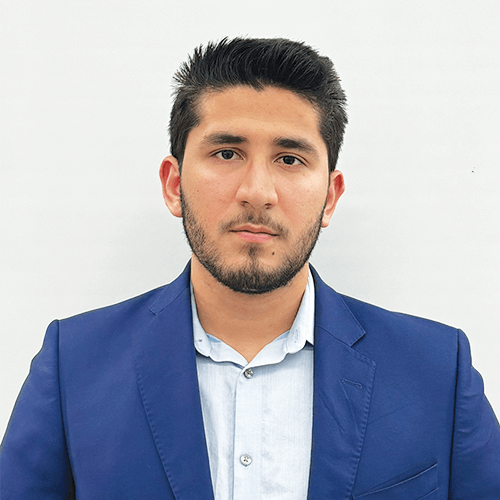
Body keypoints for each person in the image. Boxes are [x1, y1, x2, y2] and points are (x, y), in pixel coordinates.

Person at [1, 37, 499, 500]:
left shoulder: (438, 371)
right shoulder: (74, 365)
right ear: (174, 184)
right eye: (226, 152)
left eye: (289, 158)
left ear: (330, 196)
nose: (257, 191)